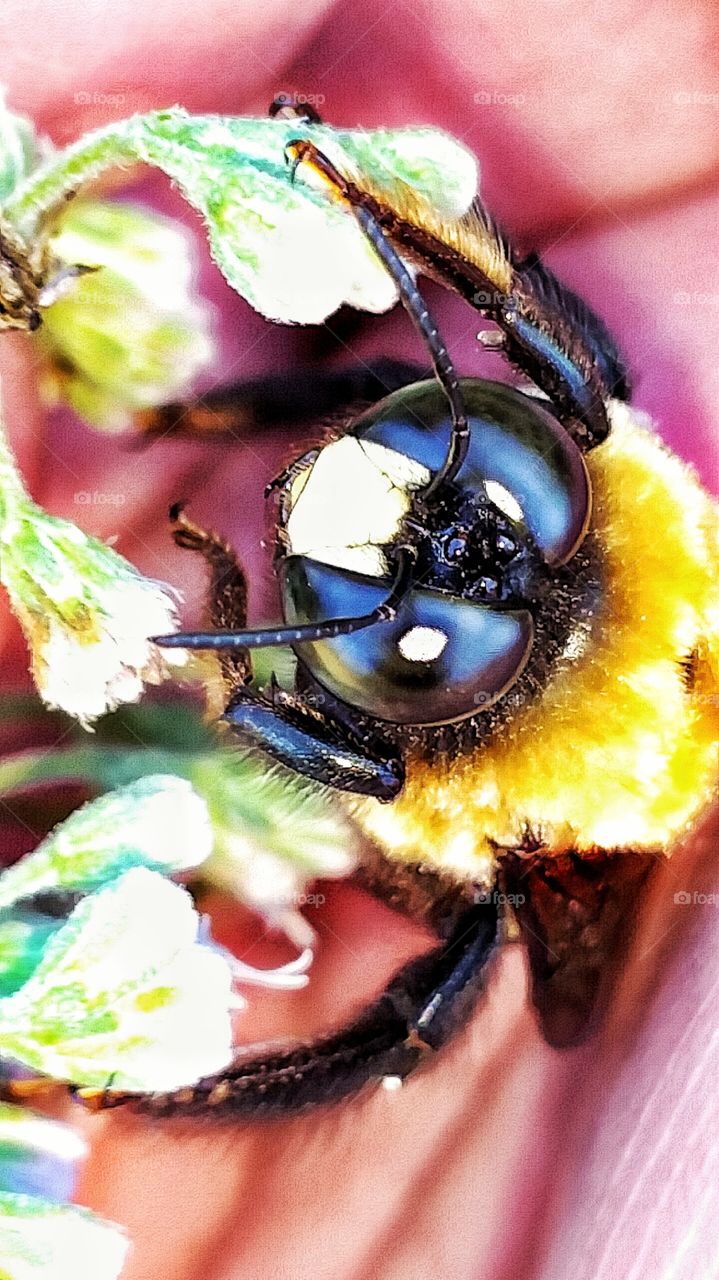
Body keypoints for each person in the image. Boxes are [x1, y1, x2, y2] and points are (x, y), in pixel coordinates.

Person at [1, 1, 718, 1276]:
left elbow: (290, 728)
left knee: (440, 994)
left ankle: (148, 1098)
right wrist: (373, 203)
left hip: (453, 803)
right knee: (422, 394)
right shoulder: (616, 490)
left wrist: (221, 618)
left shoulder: (505, 800)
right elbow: (536, 334)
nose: (442, 536)